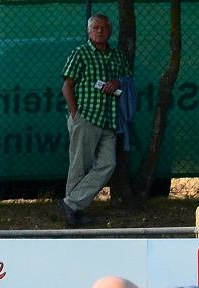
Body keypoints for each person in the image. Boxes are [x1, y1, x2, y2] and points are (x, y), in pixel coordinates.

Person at [58, 14, 132, 227]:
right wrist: (76, 115)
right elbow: (67, 86)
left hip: (109, 119)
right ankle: (74, 212)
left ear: (110, 31)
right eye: (95, 28)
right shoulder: (80, 53)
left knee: (108, 164)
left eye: (104, 28)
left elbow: (127, 79)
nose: (100, 31)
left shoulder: (117, 55)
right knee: (79, 165)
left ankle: (70, 204)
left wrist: (117, 81)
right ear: (89, 32)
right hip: (87, 117)